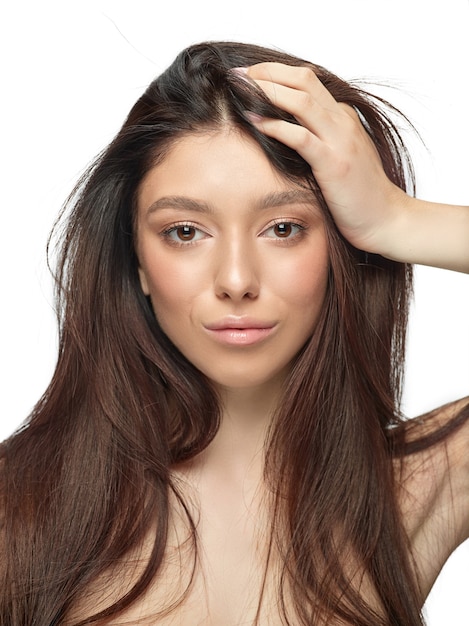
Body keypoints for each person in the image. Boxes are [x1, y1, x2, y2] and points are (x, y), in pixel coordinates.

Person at [0, 41, 467, 626]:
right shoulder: (18, 508)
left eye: (283, 227)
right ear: (137, 260)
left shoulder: (413, 491)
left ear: (342, 245)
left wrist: (398, 219)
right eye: (186, 232)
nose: (237, 280)